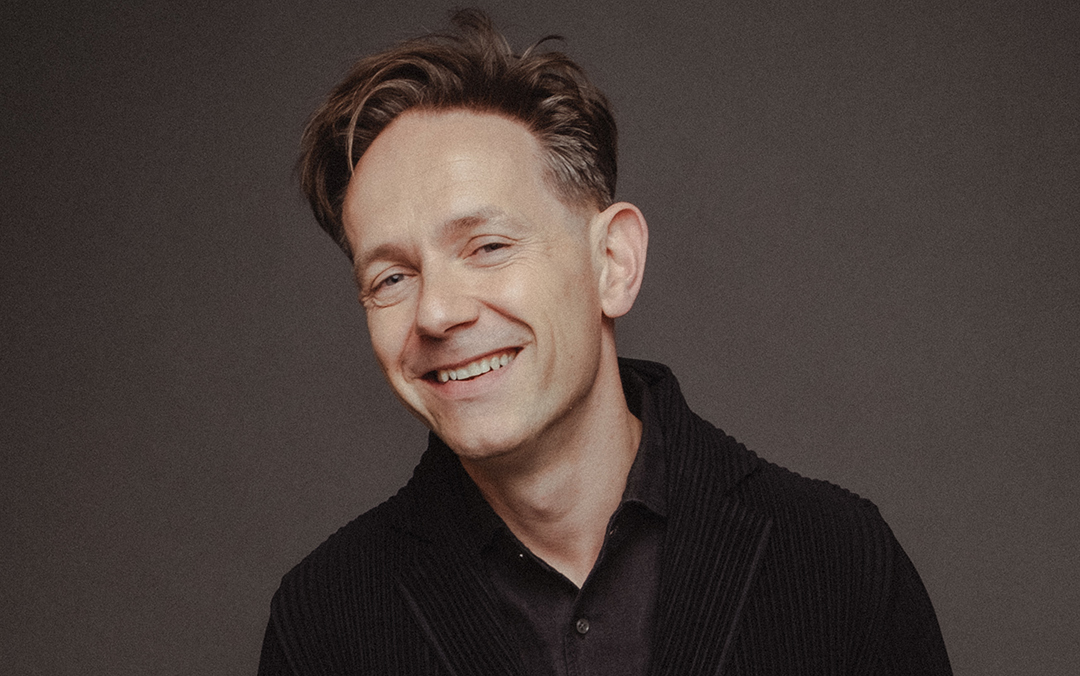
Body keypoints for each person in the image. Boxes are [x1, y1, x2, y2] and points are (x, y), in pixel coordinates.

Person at [258, 9, 951, 675]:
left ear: (612, 264)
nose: (436, 313)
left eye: (488, 245)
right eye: (391, 277)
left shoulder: (839, 562)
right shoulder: (323, 624)